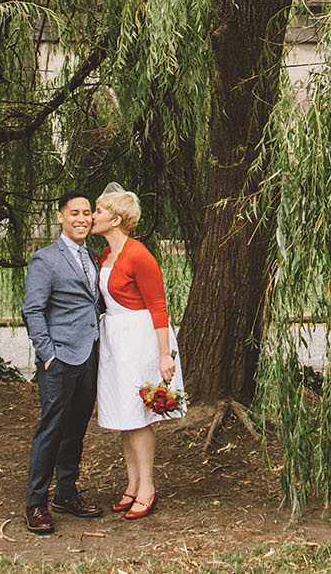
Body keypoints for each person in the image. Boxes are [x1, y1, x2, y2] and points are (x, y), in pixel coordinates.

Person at [91, 184, 184, 520]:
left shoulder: (138, 255)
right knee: (123, 416)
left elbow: (158, 308)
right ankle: (131, 484)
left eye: (99, 211)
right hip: (115, 337)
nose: (93, 215)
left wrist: (164, 357)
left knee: (139, 416)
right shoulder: (105, 255)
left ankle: (147, 486)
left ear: (115, 219)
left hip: (140, 337)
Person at [20, 190, 106, 534]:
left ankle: (66, 493)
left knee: (76, 428)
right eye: (74, 213)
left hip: (89, 356)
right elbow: (32, 310)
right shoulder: (46, 259)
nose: (82, 219)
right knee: (51, 428)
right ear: (60, 217)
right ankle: (36, 503)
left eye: (87, 213)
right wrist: (47, 353)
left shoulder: (93, 257)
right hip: (59, 359)